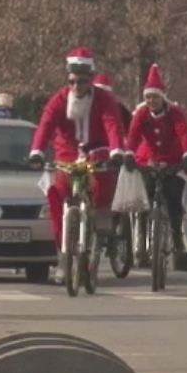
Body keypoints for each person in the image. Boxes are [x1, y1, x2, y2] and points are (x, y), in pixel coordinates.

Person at [28, 46, 127, 281]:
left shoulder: (103, 99)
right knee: (56, 192)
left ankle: (100, 217)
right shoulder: (59, 99)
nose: (76, 87)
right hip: (67, 155)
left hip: (96, 153)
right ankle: (63, 256)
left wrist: (116, 150)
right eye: (72, 81)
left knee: (101, 184)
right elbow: (46, 125)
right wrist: (36, 151)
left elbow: (112, 123)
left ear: (90, 80)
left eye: (82, 82)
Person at [123, 63, 187, 254]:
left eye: (154, 97)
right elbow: (133, 135)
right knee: (144, 199)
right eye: (147, 97)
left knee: (173, 197)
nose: (151, 101)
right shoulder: (141, 114)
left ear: (162, 97)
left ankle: (176, 236)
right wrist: (129, 153)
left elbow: (184, 133)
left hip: (172, 161)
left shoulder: (175, 113)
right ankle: (141, 240)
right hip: (148, 161)